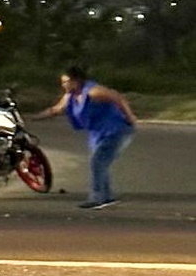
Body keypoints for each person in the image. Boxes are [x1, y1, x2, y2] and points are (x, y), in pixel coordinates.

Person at [32, 65, 137, 209]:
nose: (64, 85)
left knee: (97, 162)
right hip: (98, 133)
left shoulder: (94, 92)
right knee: (101, 164)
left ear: (76, 81)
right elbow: (56, 110)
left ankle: (97, 198)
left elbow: (117, 98)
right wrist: (34, 118)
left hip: (116, 130)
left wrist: (130, 116)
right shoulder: (70, 96)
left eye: (66, 82)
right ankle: (106, 197)